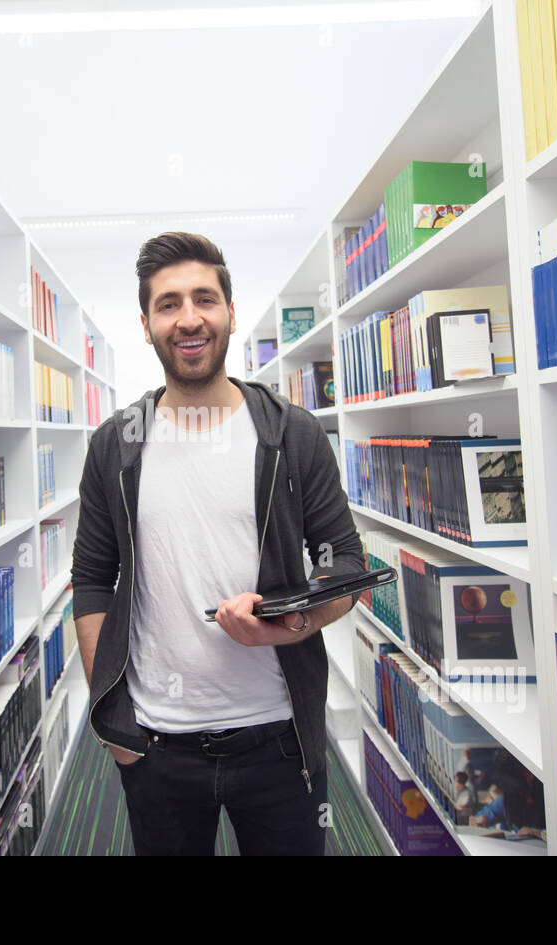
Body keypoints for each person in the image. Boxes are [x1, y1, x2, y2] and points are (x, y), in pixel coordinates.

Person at [69, 232, 367, 856]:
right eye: (168, 303)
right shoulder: (115, 446)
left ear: (230, 311)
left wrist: (293, 621)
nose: (189, 318)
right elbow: (94, 578)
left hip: (281, 740)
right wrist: (109, 721)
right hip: (155, 744)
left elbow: (347, 562)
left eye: (204, 298)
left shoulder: (293, 435)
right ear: (147, 325)